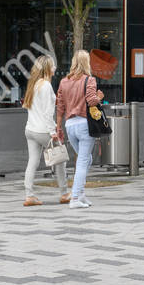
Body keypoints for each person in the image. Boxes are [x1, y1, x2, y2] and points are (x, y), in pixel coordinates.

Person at [55, 50, 102, 209]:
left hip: (70, 126)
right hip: (84, 124)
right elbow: (91, 100)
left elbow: (60, 106)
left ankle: (81, 194)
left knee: (85, 159)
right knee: (83, 161)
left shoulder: (64, 82)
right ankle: (75, 197)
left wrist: (58, 126)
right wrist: (99, 97)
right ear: (86, 63)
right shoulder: (89, 80)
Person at [21, 56, 69, 207]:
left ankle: (29, 195)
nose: (55, 68)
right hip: (43, 131)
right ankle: (64, 193)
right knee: (60, 160)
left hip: (30, 129)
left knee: (32, 162)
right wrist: (53, 131)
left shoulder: (33, 84)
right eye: (53, 65)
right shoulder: (46, 86)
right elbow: (48, 113)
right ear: (48, 68)